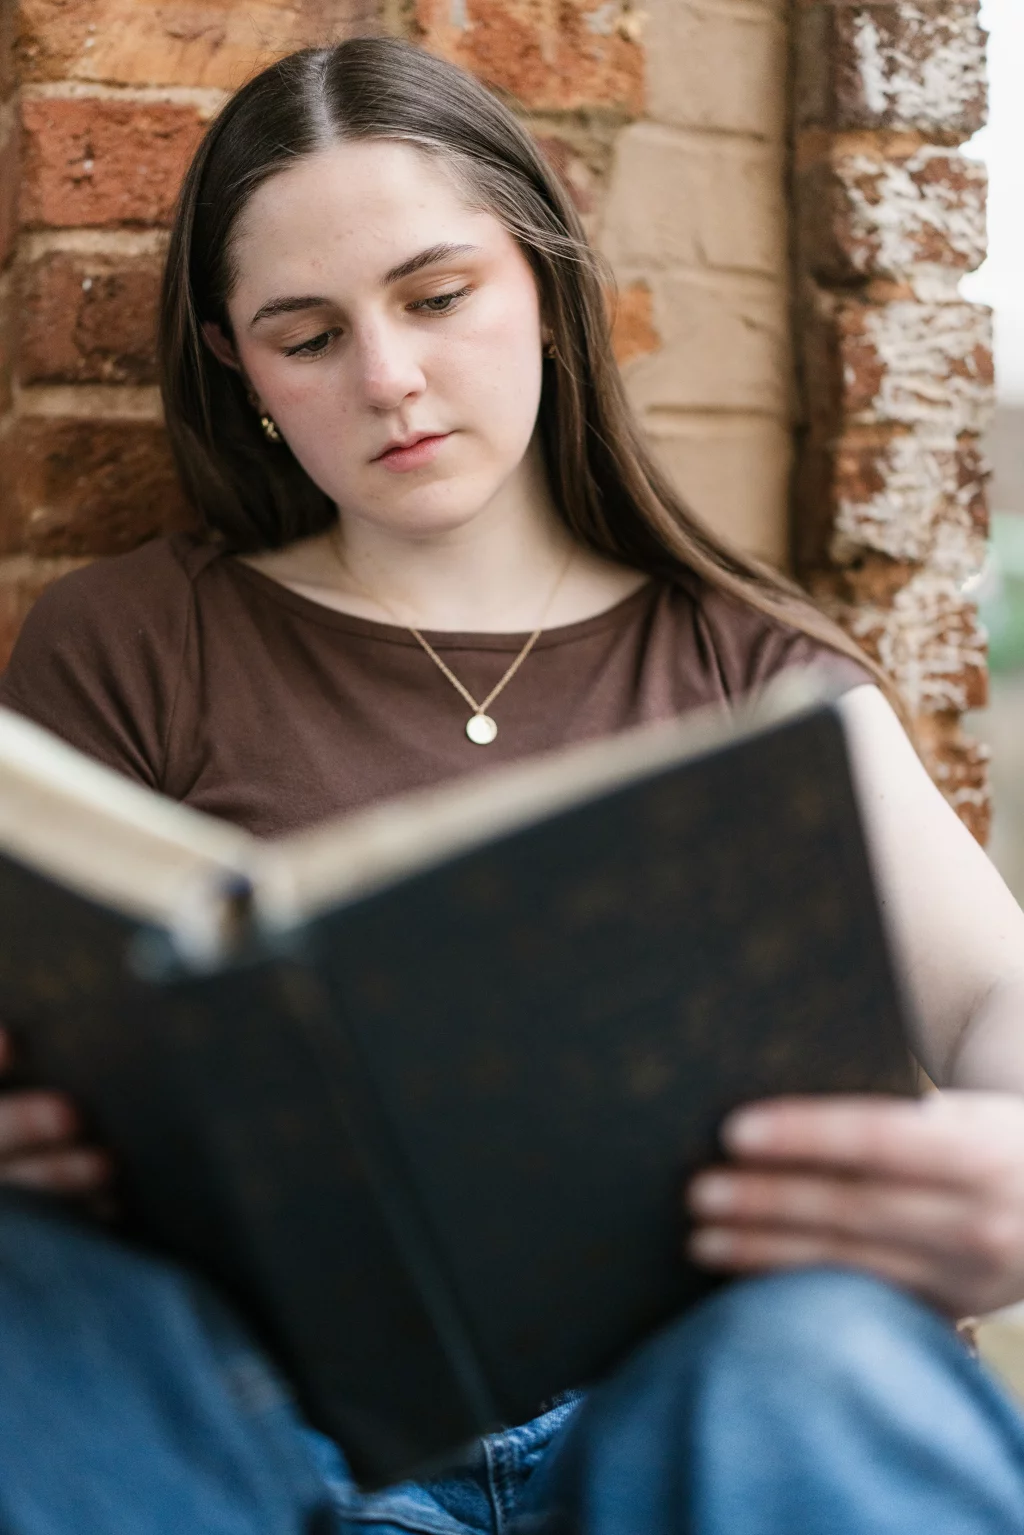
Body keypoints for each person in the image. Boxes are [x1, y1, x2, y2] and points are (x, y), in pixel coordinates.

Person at [0, 34, 1023, 1535]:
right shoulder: (135, 644)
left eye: (436, 296)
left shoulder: (751, 669)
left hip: (698, 1403)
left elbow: (1001, 1000)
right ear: (237, 365)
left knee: (810, 1365)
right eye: (307, 334)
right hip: (293, 1441)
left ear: (542, 275)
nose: (390, 378)